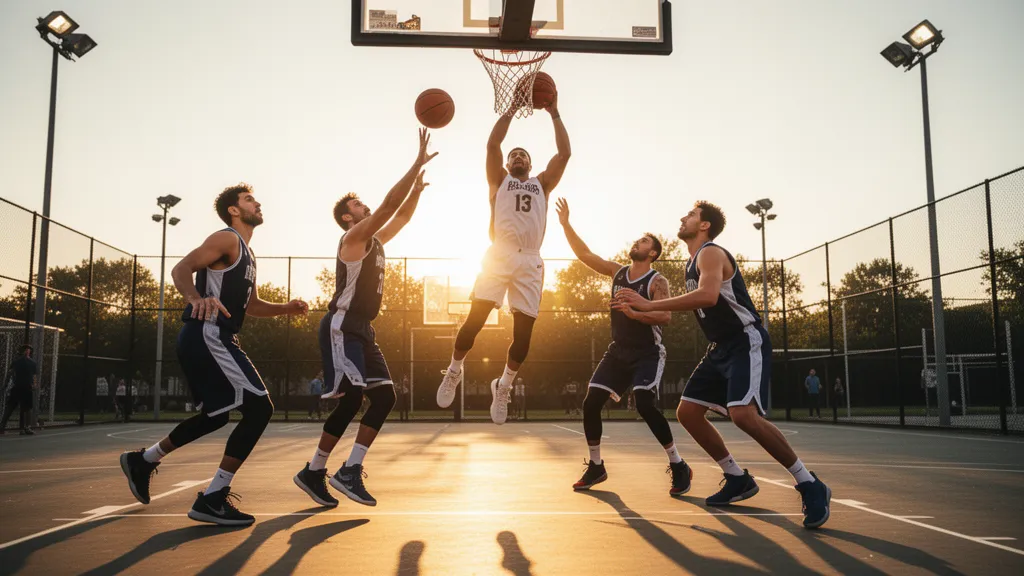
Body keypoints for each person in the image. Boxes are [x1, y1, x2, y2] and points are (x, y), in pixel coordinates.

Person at [613, 201, 832, 529]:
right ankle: (736, 477)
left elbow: (709, 295)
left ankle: (809, 483)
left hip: (745, 340)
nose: (683, 217)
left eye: (690, 215)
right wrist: (642, 312)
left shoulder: (710, 253)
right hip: (720, 349)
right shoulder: (691, 263)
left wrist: (646, 303)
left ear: (703, 226)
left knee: (743, 414)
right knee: (687, 412)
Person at [119, 183, 309, 526]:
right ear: (234, 210)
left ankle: (144, 460)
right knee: (259, 408)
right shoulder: (226, 239)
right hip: (208, 334)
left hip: (214, 336)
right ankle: (213, 497)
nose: (257, 202)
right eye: (249, 199)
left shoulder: (247, 255)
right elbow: (181, 268)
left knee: (218, 416)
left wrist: (285, 308)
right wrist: (195, 298)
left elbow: (250, 306)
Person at [293, 128, 436, 509]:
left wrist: (417, 192)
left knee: (385, 396)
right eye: (357, 204)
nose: (365, 206)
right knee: (353, 396)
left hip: (362, 331)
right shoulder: (353, 239)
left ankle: (348, 469)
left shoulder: (375, 241)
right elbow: (390, 206)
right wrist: (415, 163)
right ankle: (316, 469)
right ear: (347, 217)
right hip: (341, 326)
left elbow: (400, 216)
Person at [436, 91, 571, 425]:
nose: (518, 157)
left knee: (523, 337)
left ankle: (504, 385)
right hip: (498, 256)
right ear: (508, 163)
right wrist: (511, 109)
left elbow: (565, 152)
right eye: (514, 155)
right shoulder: (499, 180)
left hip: (530, 261)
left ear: (531, 163)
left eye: (523, 154)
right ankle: (454, 370)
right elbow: (492, 144)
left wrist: (554, 113)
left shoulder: (543, 183)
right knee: (475, 322)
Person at [557, 199, 692, 496]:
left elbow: (665, 316)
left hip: (647, 352)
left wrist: (635, 314)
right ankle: (596, 466)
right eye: (637, 239)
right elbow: (584, 254)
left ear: (652, 252)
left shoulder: (657, 280)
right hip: (619, 351)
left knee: (644, 403)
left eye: (643, 241)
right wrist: (566, 224)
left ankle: (678, 464)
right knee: (590, 403)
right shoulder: (618, 272)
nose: (637, 242)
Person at [1, 345, 38, 435]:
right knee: (25, 408)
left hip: (20, 386)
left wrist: (34, 384)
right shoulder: (27, 362)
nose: (27, 351)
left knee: (14, 406)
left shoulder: (19, 362)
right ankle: (26, 427)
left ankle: (4, 426)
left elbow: (11, 373)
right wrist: (34, 384)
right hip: (22, 386)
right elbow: (34, 375)